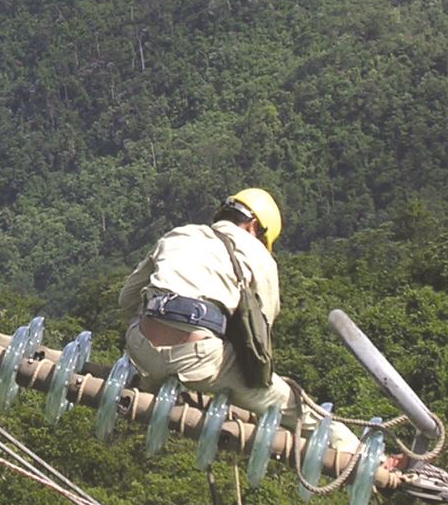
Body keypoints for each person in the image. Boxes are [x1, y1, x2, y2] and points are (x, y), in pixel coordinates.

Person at [118, 188, 358, 453]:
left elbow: (127, 299)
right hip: (199, 358)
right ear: (255, 226)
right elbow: (261, 329)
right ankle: (354, 449)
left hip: (139, 348)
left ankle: (148, 381)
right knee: (292, 405)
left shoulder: (180, 234)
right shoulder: (259, 255)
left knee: (154, 355)